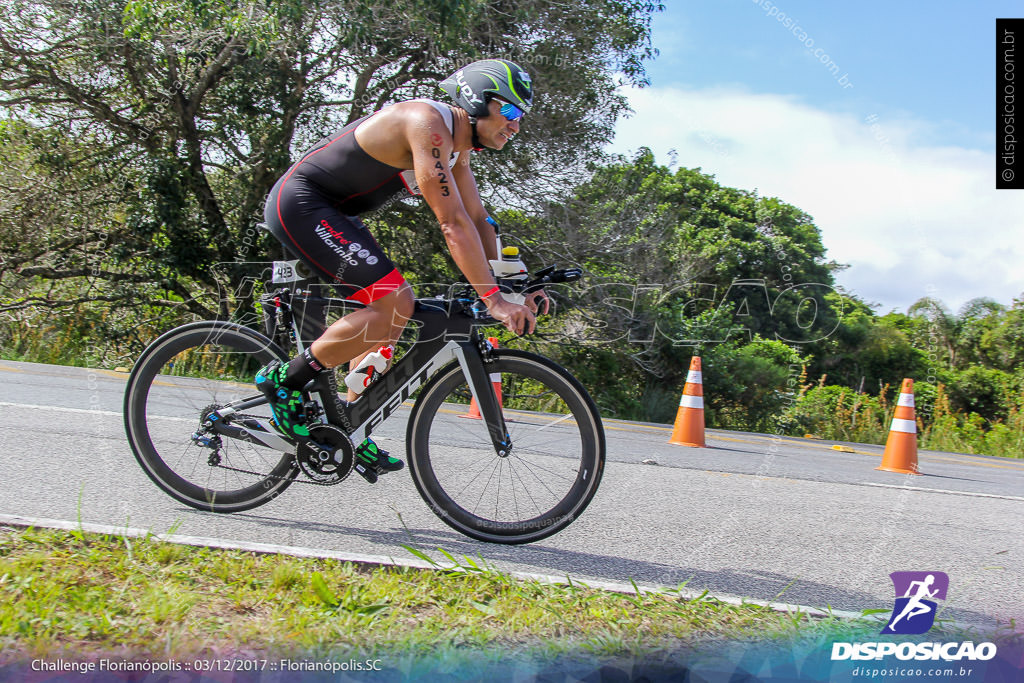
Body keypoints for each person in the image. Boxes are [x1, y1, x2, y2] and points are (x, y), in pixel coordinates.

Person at [255, 59, 549, 483]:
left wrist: (518, 284)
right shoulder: (427, 125)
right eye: (512, 113)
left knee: (391, 312)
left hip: (337, 214)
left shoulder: (457, 147)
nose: (516, 127)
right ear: (480, 100)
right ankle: (285, 380)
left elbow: (478, 218)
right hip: (301, 203)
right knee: (396, 300)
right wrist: (494, 300)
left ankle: (347, 422)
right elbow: (451, 222)